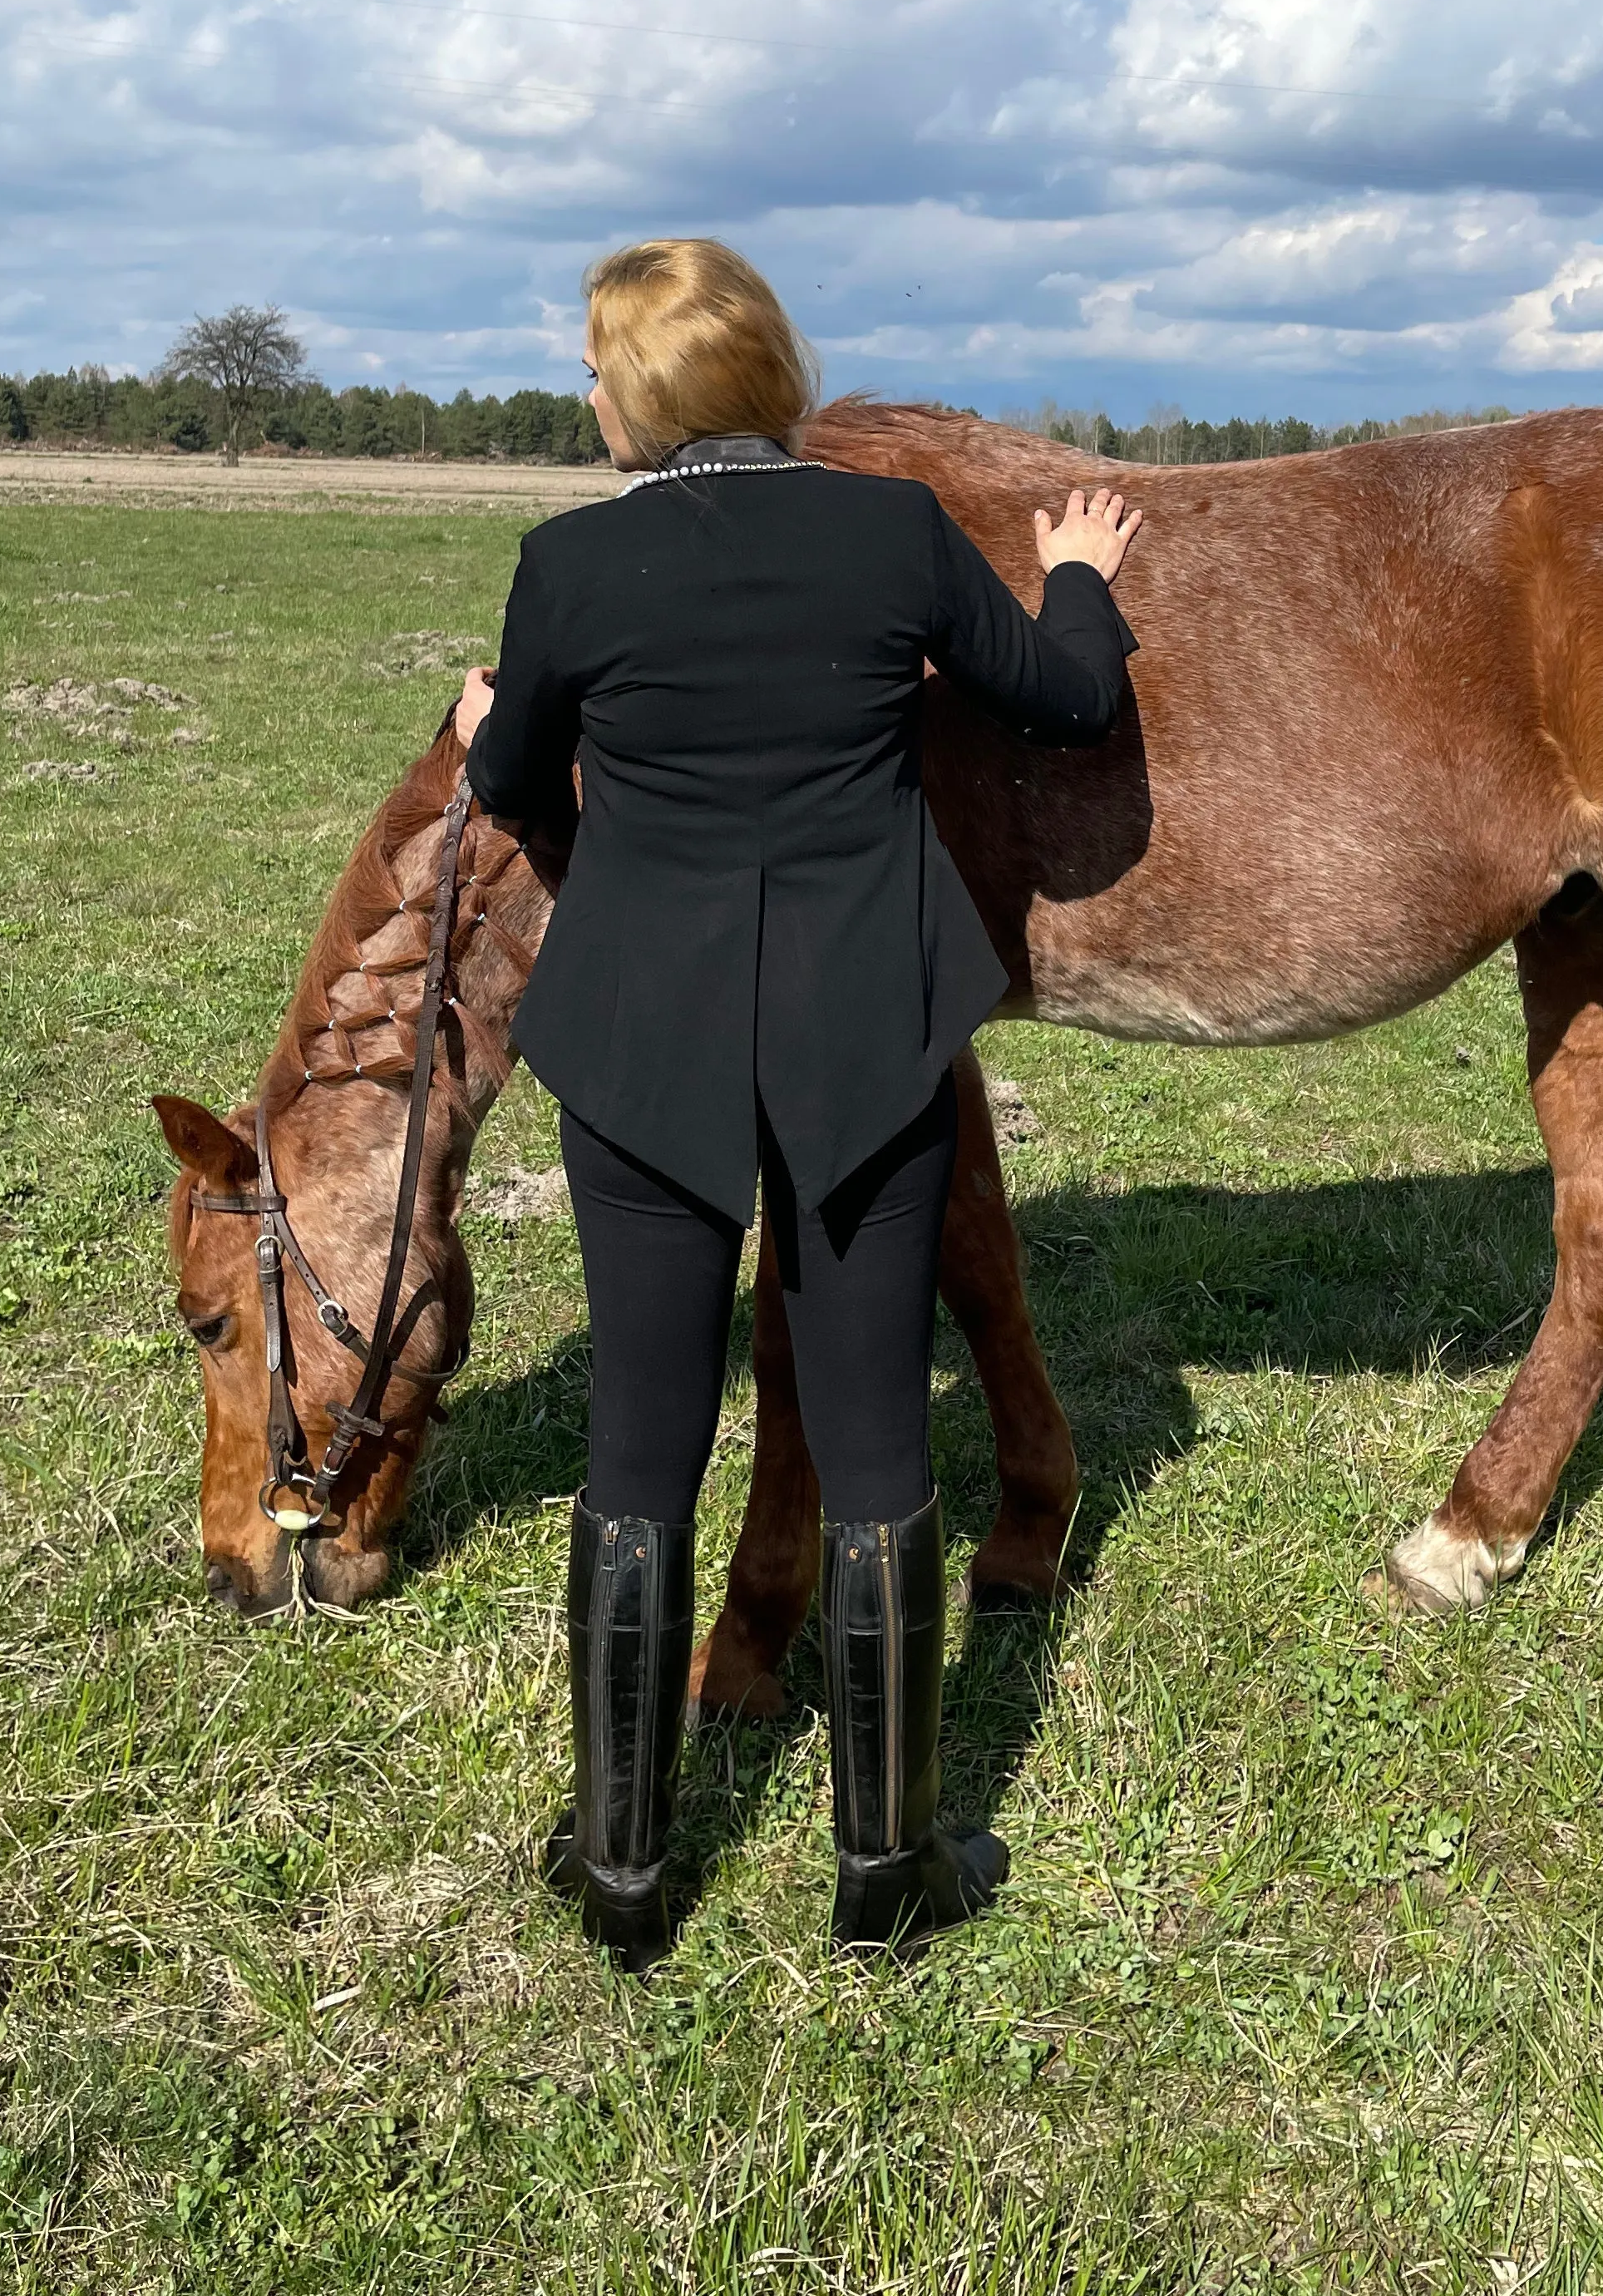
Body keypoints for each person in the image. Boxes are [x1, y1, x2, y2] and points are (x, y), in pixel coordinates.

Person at [457, 238, 1141, 1967]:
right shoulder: (894, 535)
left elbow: (523, 781)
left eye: (599, 376)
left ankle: (623, 1874)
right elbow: (1068, 700)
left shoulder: (570, 567)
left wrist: (485, 730)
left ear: (636, 403)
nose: (591, 399)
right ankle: (884, 1869)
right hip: (865, 1039)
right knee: (881, 1445)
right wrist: (1077, 574)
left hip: (641, 1046)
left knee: (640, 1448)